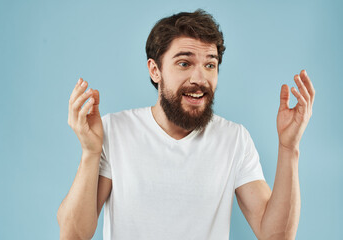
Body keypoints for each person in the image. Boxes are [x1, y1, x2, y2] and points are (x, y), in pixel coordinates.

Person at [57, 9, 315, 240]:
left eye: (210, 64)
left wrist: (289, 146)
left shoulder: (234, 139)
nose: (200, 78)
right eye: (184, 63)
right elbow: (73, 235)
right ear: (155, 70)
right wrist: (90, 152)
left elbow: (275, 236)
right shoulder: (115, 131)